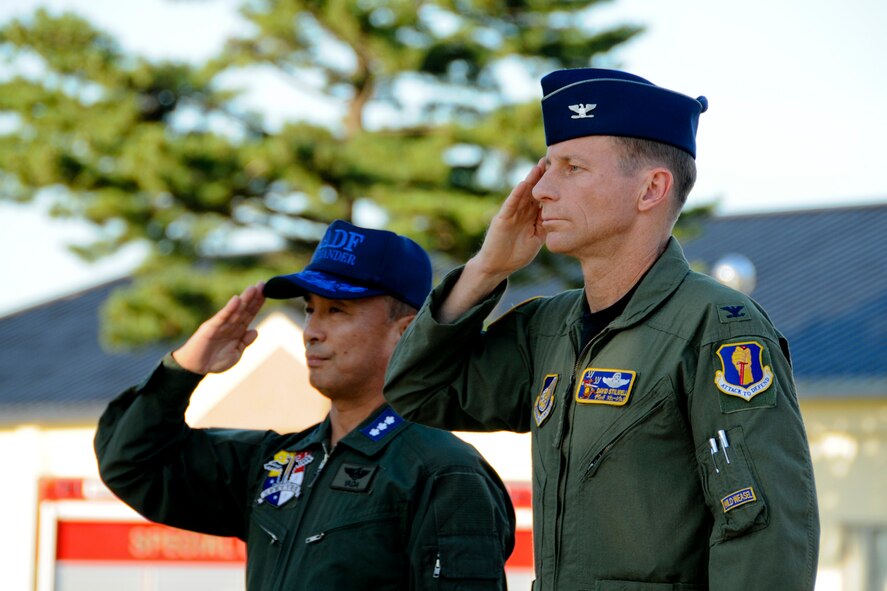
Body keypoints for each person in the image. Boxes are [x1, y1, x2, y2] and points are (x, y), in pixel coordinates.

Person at [384, 68, 820, 590]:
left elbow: (763, 534)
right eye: (546, 167)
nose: (541, 189)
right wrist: (486, 269)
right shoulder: (548, 328)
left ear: (651, 189)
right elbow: (416, 390)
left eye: (571, 167)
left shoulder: (717, 328)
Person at [94, 220, 515, 590]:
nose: (311, 331)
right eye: (309, 310)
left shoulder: (442, 471)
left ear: (404, 332)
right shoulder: (274, 462)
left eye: (336, 311)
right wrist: (183, 369)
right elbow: (134, 465)